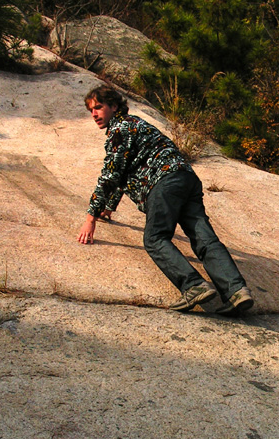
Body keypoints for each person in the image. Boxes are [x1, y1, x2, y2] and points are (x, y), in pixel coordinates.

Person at [77, 85, 253, 315]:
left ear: (114, 106)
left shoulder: (119, 129)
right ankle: (236, 291)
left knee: (155, 238)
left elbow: (111, 174)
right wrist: (109, 207)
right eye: (91, 110)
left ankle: (193, 286)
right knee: (204, 239)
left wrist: (90, 217)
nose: (94, 114)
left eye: (99, 107)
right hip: (186, 178)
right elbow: (124, 170)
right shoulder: (137, 123)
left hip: (162, 184)